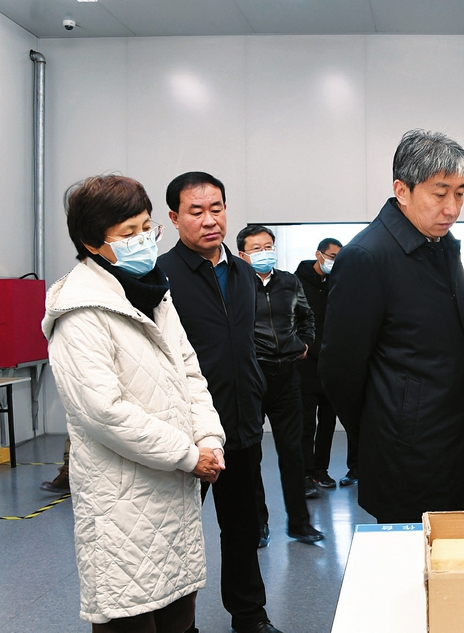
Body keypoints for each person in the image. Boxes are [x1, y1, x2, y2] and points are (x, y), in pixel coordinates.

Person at [42, 174, 226, 632]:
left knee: (178, 612)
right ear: (92, 243)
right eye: (129, 233)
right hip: (123, 500)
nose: (144, 240)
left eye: (147, 227)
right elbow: (104, 412)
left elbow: (189, 372)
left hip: (174, 490)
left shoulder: (153, 292)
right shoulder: (79, 312)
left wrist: (208, 438)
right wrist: (188, 455)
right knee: (130, 612)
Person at [319, 129, 464, 524]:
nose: (452, 208)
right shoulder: (367, 257)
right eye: (440, 193)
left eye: (460, 193)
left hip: (461, 444)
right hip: (409, 460)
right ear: (402, 190)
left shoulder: (441, 244)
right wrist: (391, 430)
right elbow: (339, 372)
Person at [158, 172, 283, 633]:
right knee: (175, 534)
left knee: (243, 528)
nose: (210, 220)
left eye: (217, 209)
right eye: (196, 211)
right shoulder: (159, 277)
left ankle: (249, 616)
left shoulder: (244, 273)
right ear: (174, 218)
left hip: (243, 423)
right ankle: (177, 624)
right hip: (188, 432)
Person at [237, 225, 322, 543]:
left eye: (268, 246)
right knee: (251, 455)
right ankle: (258, 524)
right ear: (242, 255)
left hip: (287, 376)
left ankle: (300, 523)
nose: (264, 253)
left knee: (293, 453)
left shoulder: (289, 281)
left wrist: (304, 343)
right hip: (252, 376)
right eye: (256, 248)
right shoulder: (236, 284)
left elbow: (306, 316)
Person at [295, 238, 359, 494]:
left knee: (328, 422)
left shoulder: (338, 283)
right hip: (306, 364)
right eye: (332, 256)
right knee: (305, 424)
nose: (335, 262)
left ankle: (321, 470)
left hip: (332, 367)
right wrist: (310, 348)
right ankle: (305, 472)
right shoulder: (296, 282)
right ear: (318, 255)